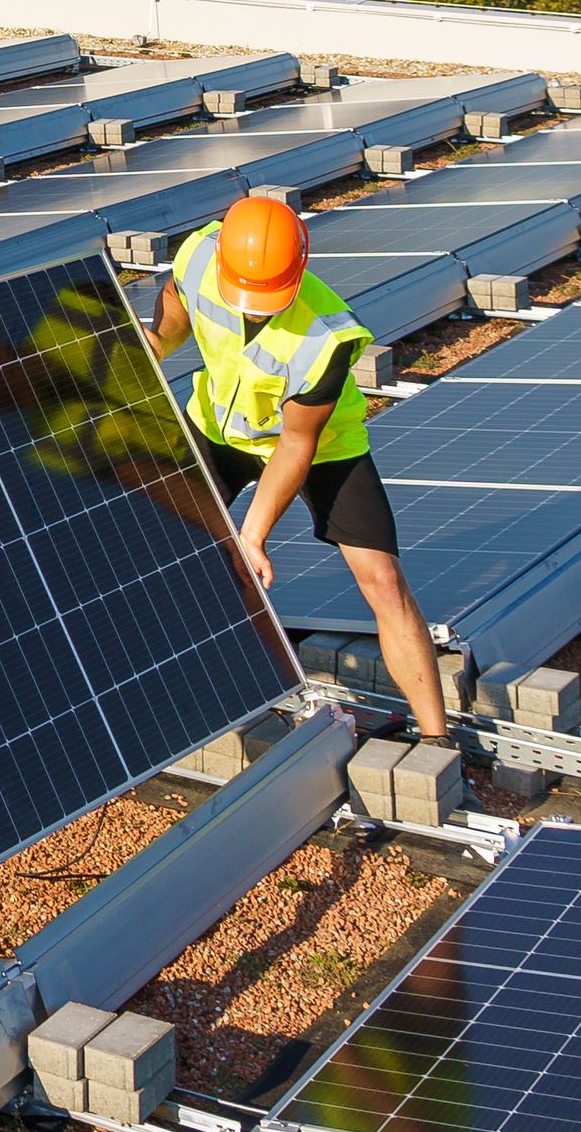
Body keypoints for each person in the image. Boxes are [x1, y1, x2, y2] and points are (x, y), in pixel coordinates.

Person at [149, 193, 453, 736]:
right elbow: (175, 301)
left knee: (382, 579)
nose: (254, 308)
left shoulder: (329, 335)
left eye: (269, 299)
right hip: (220, 426)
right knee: (164, 547)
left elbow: (296, 443)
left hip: (322, 445)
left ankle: (436, 737)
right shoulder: (198, 254)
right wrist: (156, 343)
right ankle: (204, 691)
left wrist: (254, 534)